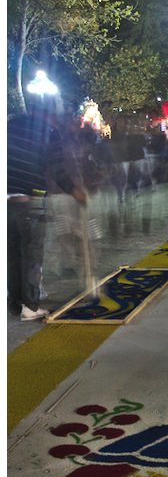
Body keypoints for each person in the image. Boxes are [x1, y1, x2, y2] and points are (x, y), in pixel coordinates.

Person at [7, 102, 87, 321]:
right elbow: (59, 170)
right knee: (32, 255)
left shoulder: (10, 125)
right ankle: (30, 306)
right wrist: (75, 192)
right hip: (30, 200)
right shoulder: (49, 133)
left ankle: (15, 304)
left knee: (12, 254)